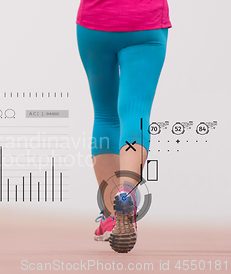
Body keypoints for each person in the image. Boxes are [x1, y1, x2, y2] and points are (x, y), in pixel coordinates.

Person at [76, 0, 171, 253]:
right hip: (146, 22)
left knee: (106, 115)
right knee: (135, 113)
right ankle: (126, 194)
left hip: (95, 24)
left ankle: (110, 214)